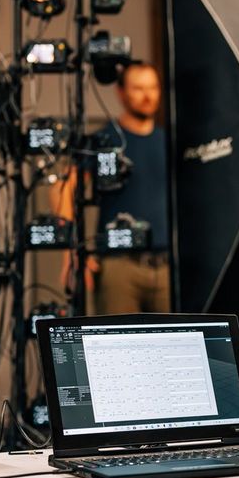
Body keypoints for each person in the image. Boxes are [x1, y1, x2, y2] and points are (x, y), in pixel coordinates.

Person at [53, 62, 170, 313]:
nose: (147, 95)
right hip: (118, 265)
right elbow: (64, 187)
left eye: (153, 87)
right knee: (117, 345)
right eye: (138, 88)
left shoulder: (169, 141)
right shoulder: (103, 139)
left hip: (166, 264)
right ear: (121, 92)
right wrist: (71, 249)